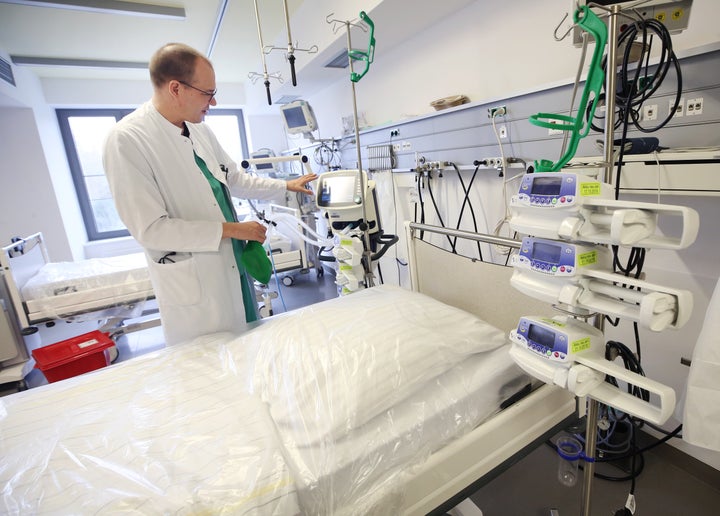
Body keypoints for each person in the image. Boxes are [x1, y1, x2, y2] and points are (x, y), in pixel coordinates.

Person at [103, 42, 317, 346]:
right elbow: (150, 229)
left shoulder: (199, 130)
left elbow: (236, 180)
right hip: (195, 288)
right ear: (175, 88)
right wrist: (232, 230)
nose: (213, 103)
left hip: (231, 267)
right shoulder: (127, 140)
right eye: (208, 94)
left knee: (245, 348)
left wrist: (285, 186)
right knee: (208, 370)